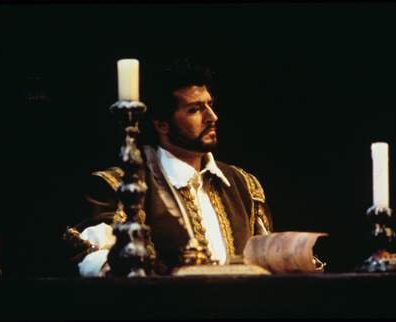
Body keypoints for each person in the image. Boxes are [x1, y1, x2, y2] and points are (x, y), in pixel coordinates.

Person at [60, 59, 272, 276]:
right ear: (161, 124)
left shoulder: (243, 185)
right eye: (194, 110)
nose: (212, 117)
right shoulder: (122, 186)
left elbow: (269, 260)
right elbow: (92, 255)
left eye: (210, 105)